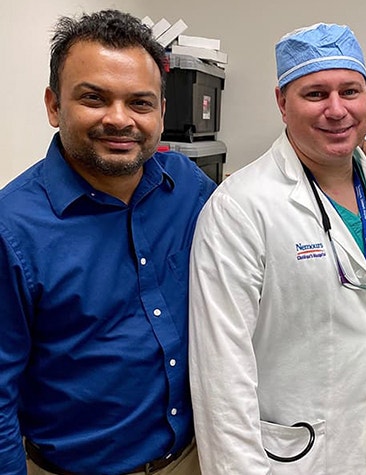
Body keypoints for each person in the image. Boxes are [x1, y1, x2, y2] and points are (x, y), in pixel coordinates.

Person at [0, 9, 216, 475]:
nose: (119, 120)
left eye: (140, 103)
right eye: (94, 98)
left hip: (193, 458)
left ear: (161, 111)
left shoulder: (189, 188)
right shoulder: (12, 230)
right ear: (54, 106)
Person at [188, 23, 366, 474]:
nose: (336, 110)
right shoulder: (240, 209)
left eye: (350, 91)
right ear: (282, 102)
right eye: (315, 94)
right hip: (292, 458)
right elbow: (221, 381)